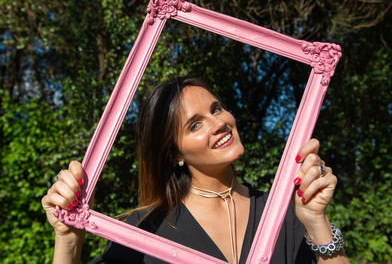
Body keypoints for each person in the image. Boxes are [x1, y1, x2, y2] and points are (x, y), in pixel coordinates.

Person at [42, 77, 350, 263]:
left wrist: (315, 220)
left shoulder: (281, 213)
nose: (219, 124)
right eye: (195, 124)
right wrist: (68, 240)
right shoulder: (146, 229)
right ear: (175, 153)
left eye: (216, 108)